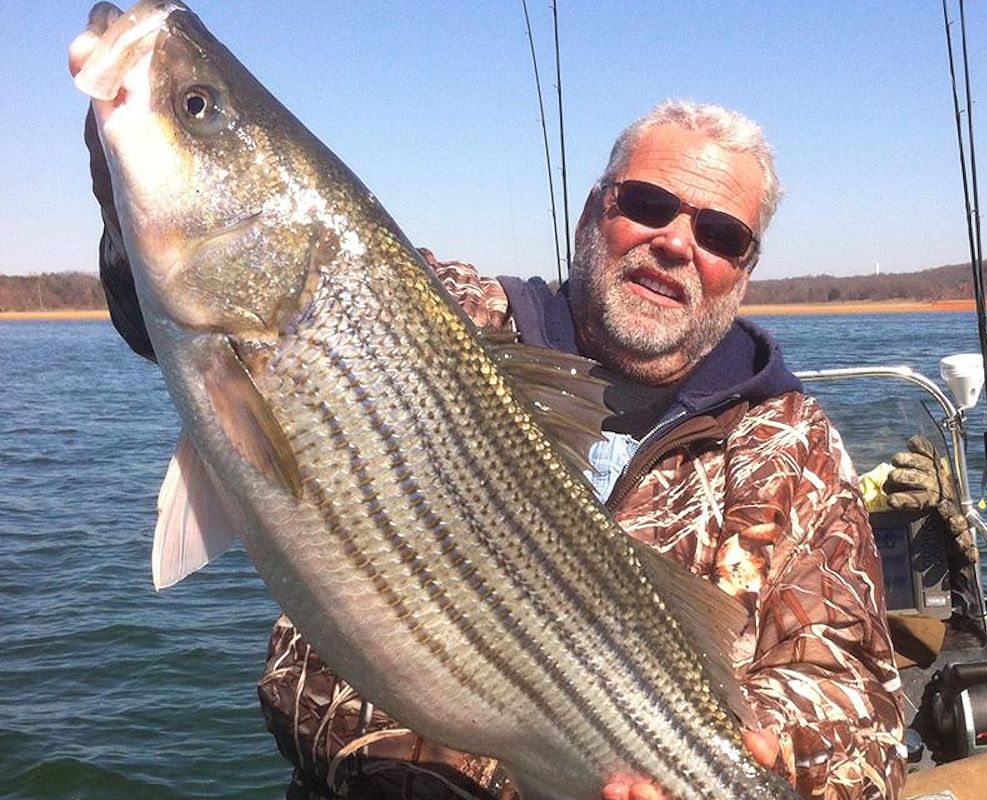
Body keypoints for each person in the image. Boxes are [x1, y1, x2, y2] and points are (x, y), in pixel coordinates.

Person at [87, 99, 914, 799]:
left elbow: (855, 695)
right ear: (596, 211)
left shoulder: (791, 444)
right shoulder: (443, 316)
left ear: (744, 269)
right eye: (650, 203)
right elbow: (174, 310)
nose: (675, 241)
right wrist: (137, 178)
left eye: (721, 231)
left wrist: (752, 751)